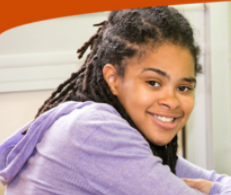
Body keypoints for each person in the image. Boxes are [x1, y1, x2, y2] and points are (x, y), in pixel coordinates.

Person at [0, 6, 231, 195]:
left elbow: (216, 180)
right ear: (113, 78)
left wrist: (214, 188)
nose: (172, 101)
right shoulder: (97, 132)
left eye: (183, 87)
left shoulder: (129, 137)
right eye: (153, 82)